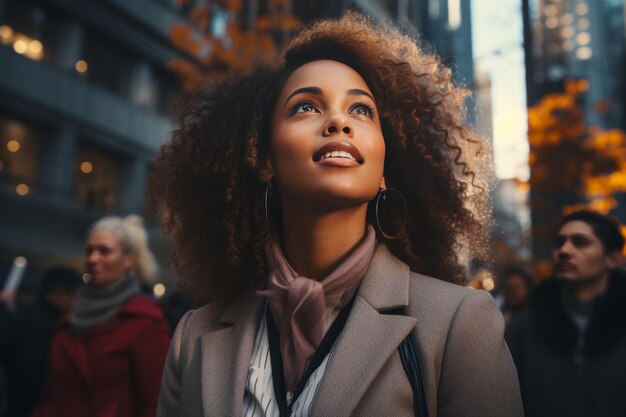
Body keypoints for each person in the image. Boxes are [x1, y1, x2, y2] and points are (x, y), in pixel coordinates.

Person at [151, 12, 522, 417]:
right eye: (306, 106)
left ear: (384, 170)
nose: (339, 121)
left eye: (362, 110)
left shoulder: (458, 326)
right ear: (263, 160)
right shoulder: (193, 338)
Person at [32, 215, 171, 417]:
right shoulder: (72, 316)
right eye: (89, 250)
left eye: (104, 251)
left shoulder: (145, 322)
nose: (93, 258)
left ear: (128, 260)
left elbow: (155, 403)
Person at [506, 210, 626, 417]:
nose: (564, 250)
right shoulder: (523, 328)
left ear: (613, 258)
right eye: (560, 242)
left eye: (580, 242)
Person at [0, 267, 81, 417]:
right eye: (75, 296)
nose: (76, 303)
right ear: (59, 292)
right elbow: (34, 381)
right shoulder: (45, 328)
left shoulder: (23, 317)